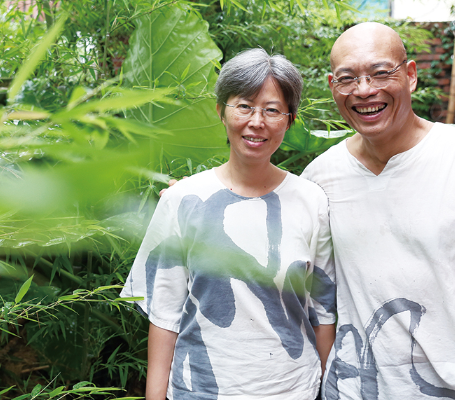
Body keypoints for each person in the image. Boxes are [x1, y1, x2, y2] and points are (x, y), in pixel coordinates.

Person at [300, 22, 455, 400]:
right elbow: (310, 300)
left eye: (381, 72)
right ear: (332, 85)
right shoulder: (320, 178)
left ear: (411, 75)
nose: (365, 90)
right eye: (348, 78)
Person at [120, 48, 337, 400]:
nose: (257, 121)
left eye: (272, 110)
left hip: (293, 389)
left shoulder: (312, 202)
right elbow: (165, 315)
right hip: (200, 388)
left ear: (289, 119)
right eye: (244, 106)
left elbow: (322, 314)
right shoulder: (182, 200)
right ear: (221, 111)